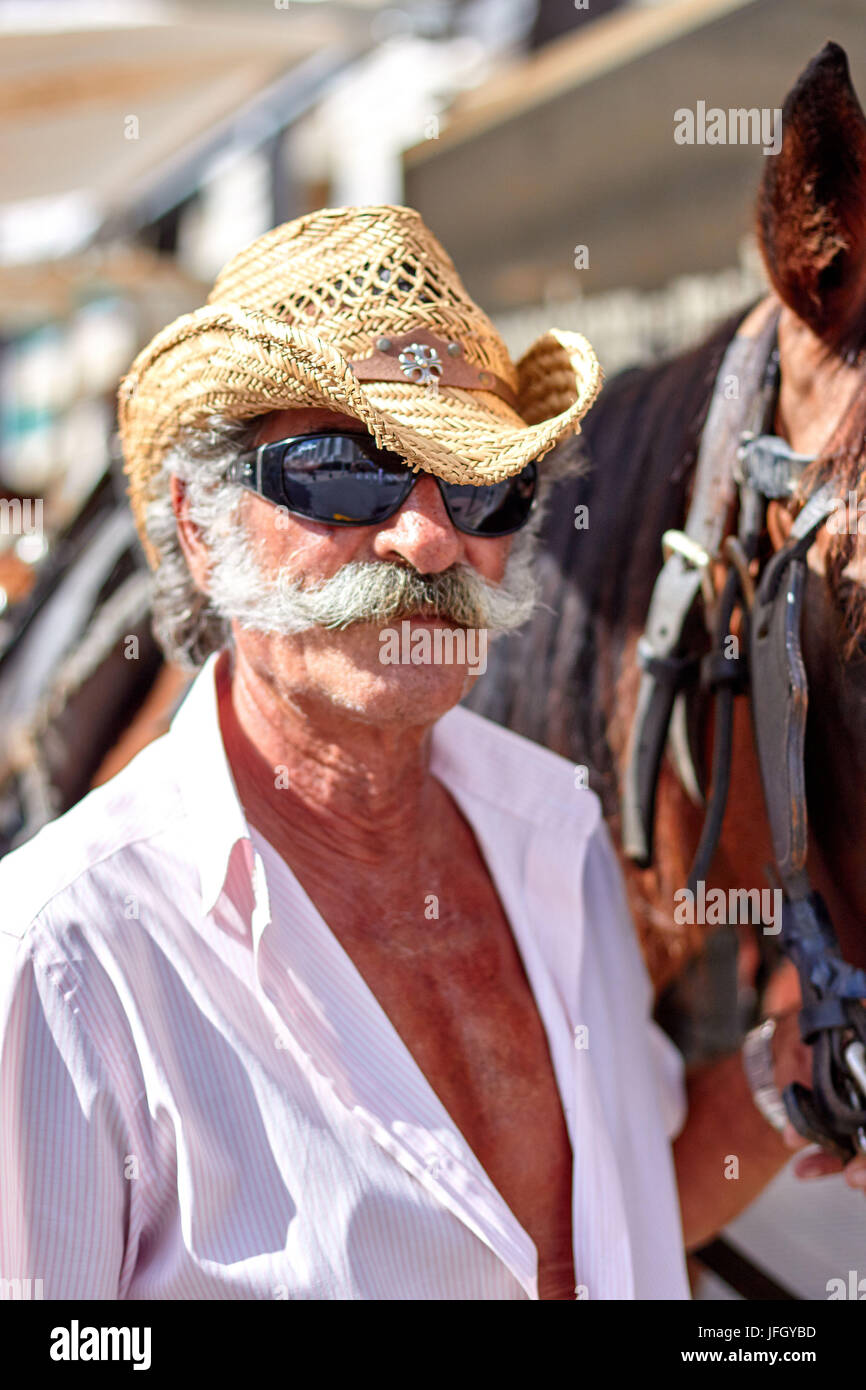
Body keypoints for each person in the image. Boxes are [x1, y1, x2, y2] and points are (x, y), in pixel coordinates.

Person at [0, 206, 853, 1303]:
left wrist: (778, 1082)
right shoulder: (65, 955)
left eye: (478, 484)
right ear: (199, 527)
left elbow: (584, 1236)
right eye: (344, 473)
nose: (428, 537)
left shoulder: (556, 842)